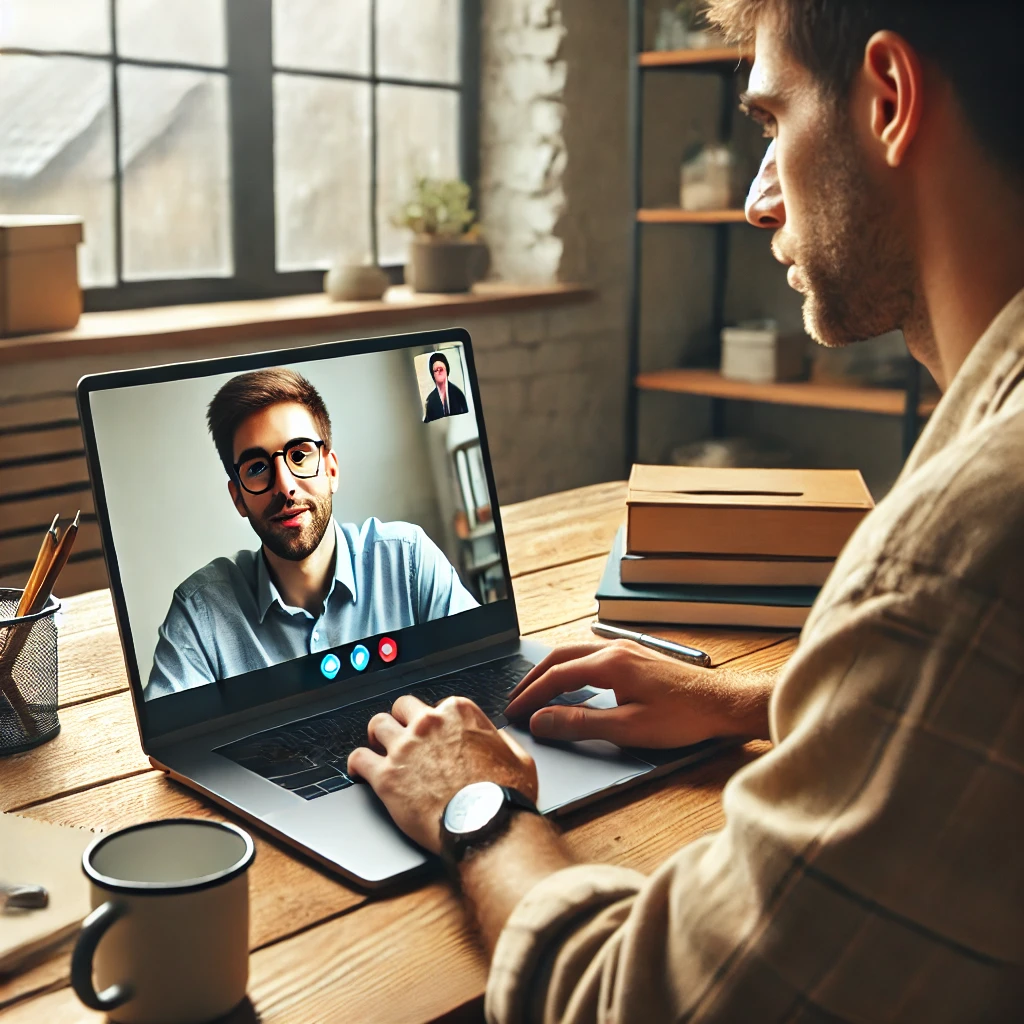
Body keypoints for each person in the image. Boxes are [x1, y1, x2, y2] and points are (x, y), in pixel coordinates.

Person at [346, 1, 1024, 1020]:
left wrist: (474, 805)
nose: (757, 201)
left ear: (887, 100)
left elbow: (631, 1001)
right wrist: (752, 704)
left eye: (769, 122)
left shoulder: (958, 558)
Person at [146, 368, 477, 698]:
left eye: (300, 455)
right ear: (239, 498)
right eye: (257, 468)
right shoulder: (201, 612)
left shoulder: (407, 558)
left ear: (332, 471)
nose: (285, 486)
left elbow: (479, 674)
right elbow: (174, 745)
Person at [423, 351, 469, 422]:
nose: (439, 372)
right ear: (433, 374)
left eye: (441, 369)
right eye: (436, 370)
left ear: (447, 370)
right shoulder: (430, 401)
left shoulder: (459, 395)